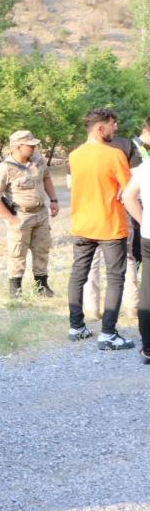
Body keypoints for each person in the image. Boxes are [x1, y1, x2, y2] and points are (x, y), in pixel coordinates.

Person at [66, 108, 134, 349]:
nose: (116, 129)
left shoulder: (74, 156)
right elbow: (130, 192)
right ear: (100, 128)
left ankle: (76, 327)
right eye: (113, 124)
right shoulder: (114, 155)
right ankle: (108, 333)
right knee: (115, 278)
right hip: (110, 226)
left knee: (78, 275)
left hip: (82, 225)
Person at [0, 131, 58, 298]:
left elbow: (47, 178)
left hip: (40, 214)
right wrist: (10, 218)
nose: (34, 147)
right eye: (30, 145)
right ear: (18, 147)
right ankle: (16, 289)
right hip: (20, 215)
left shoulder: (38, 161)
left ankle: (42, 286)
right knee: (17, 252)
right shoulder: (4, 169)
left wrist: (54, 200)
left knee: (42, 249)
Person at [121, 154, 150, 364]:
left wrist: (143, 221)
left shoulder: (144, 168)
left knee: (148, 289)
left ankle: (148, 347)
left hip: (149, 235)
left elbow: (128, 196)